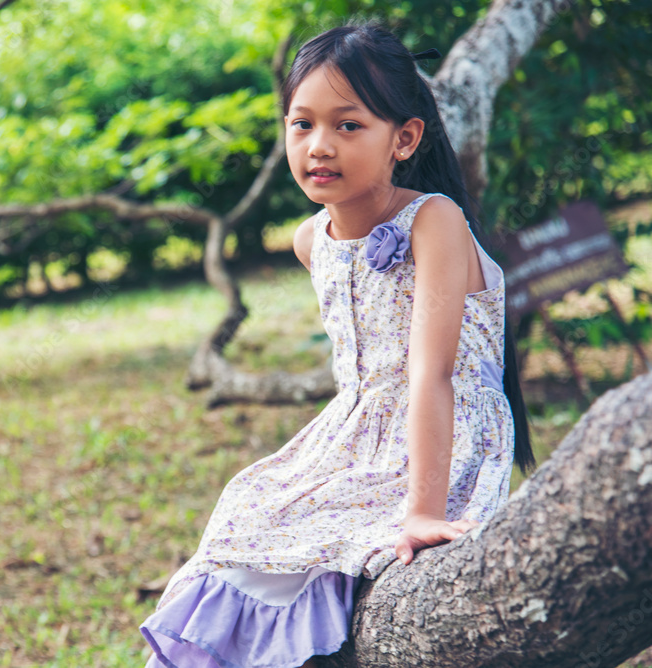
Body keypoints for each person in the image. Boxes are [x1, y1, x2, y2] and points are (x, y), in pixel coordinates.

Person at [138, 17, 538, 668]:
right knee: (245, 514)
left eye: (347, 125)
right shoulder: (310, 241)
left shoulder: (434, 220)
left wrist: (422, 512)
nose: (319, 145)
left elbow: (431, 375)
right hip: (349, 439)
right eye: (303, 124)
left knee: (343, 550)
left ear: (403, 139)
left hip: (438, 438)